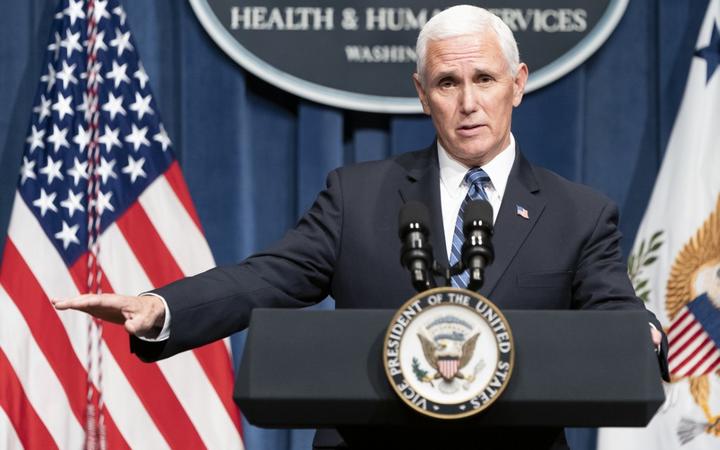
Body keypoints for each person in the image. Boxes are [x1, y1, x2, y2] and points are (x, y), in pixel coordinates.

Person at [55, 5, 667, 448]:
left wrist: (646, 334)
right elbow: (268, 277)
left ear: (518, 83)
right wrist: (161, 307)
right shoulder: (359, 194)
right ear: (422, 94)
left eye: (484, 79)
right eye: (448, 83)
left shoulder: (578, 212)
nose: (468, 102)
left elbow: (616, 311)